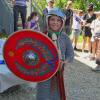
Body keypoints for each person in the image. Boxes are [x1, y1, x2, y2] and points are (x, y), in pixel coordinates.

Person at [36, 8, 74, 100]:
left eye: (58, 20)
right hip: (43, 73)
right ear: (48, 20)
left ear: (62, 23)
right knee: (42, 95)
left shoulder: (65, 37)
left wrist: (65, 62)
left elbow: (70, 54)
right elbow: (35, 54)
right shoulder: (42, 36)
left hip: (58, 73)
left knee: (55, 95)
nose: (55, 22)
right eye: (52, 19)